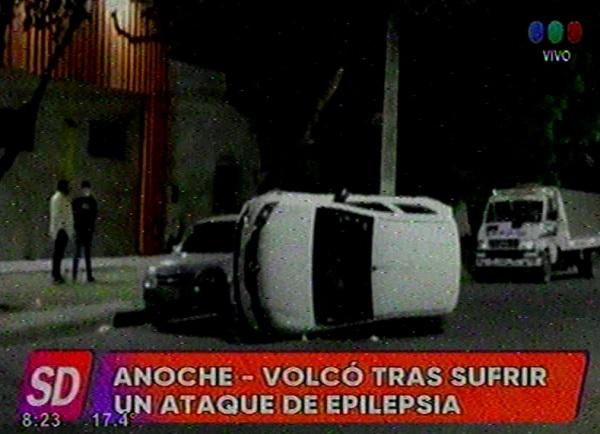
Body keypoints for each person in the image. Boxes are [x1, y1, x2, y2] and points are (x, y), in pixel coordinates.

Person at [72, 180, 98, 282]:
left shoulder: (80, 201)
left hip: (83, 229)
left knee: (82, 253)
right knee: (81, 253)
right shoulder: (87, 201)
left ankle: (82, 275)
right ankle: (85, 275)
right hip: (83, 229)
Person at [49, 180, 73, 284]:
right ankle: (56, 275)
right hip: (61, 230)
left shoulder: (61, 198)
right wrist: (62, 228)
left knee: (59, 254)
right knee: (58, 254)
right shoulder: (58, 198)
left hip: (62, 229)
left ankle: (57, 274)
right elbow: (57, 215)